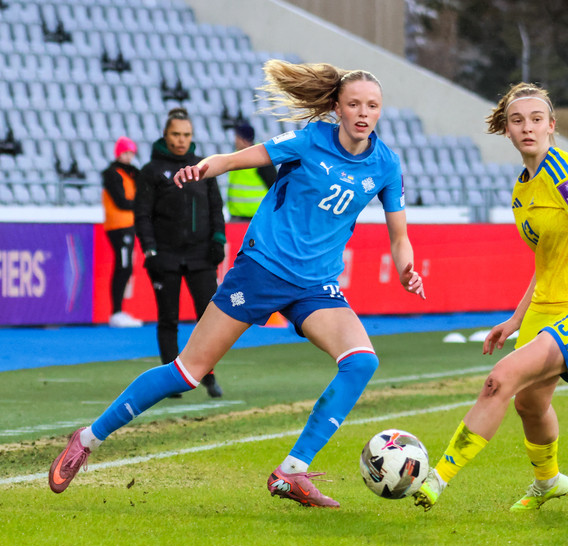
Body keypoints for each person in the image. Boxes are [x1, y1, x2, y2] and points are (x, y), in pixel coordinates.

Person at [48, 60, 426, 507]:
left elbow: (399, 235)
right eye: (355, 104)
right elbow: (234, 160)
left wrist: (407, 268)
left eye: (373, 106)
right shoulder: (309, 140)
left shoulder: (386, 164)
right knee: (187, 372)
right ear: (337, 108)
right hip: (261, 269)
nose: (364, 113)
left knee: (361, 362)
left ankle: (291, 472)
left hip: (315, 285)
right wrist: (200, 169)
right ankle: (87, 439)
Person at [413, 83, 568, 512]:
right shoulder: (521, 189)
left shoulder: (565, 176)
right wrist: (514, 319)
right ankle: (549, 482)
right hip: (543, 308)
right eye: (517, 120)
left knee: (500, 380)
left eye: (535, 119)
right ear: (507, 130)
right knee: (530, 404)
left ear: (551, 126)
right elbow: (545, 261)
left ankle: (436, 479)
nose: (527, 127)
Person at [134, 107, 225, 399]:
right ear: (165, 135)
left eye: (186, 134)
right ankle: (170, 382)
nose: (181, 140)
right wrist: (150, 251)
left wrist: (218, 240)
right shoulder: (150, 171)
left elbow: (216, 207)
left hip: (201, 255)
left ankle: (208, 374)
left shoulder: (203, 167)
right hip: (165, 255)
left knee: (208, 320)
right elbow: (142, 215)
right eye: (176, 134)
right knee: (168, 319)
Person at [102, 136, 143, 328]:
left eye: (131, 153)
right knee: (123, 267)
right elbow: (121, 201)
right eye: (125, 153)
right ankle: (116, 312)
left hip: (127, 225)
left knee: (125, 267)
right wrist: (141, 204)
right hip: (119, 226)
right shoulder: (112, 173)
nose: (129, 157)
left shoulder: (131, 173)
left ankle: (118, 311)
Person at [226, 118, 277, 221]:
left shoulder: (261, 158)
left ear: (243, 140)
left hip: (256, 217)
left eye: (237, 137)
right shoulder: (235, 155)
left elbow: (274, 185)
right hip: (237, 216)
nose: (235, 140)